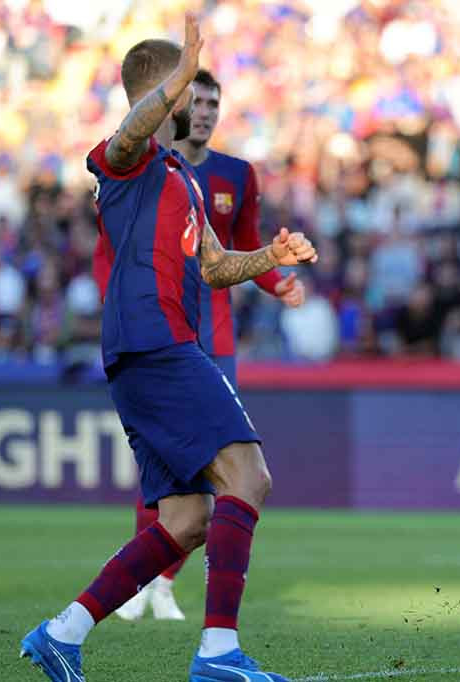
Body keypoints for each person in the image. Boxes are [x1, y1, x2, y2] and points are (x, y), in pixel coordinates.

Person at [20, 14, 316, 682]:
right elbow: (129, 130)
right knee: (250, 477)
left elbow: (211, 265)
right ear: (165, 90)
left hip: (154, 349)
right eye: (185, 86)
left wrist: (268, 256)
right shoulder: (126, 162)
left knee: (185, 520)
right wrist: (179, 73)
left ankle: (61, 634)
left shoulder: (178, 177)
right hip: (156, 343)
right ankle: (218, 654)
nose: (194, 99)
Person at [111, 67, 306, 623]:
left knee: (215, 472)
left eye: (213, 104)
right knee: (161, 470)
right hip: (157, 338)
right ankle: (142, 580)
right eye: (196, 102)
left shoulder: (235, 175)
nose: (204, 112)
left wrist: (276, 279)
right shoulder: (148, 171)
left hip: (212, 342)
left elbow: (239, 248)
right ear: (176, 108)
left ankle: (163, 585)